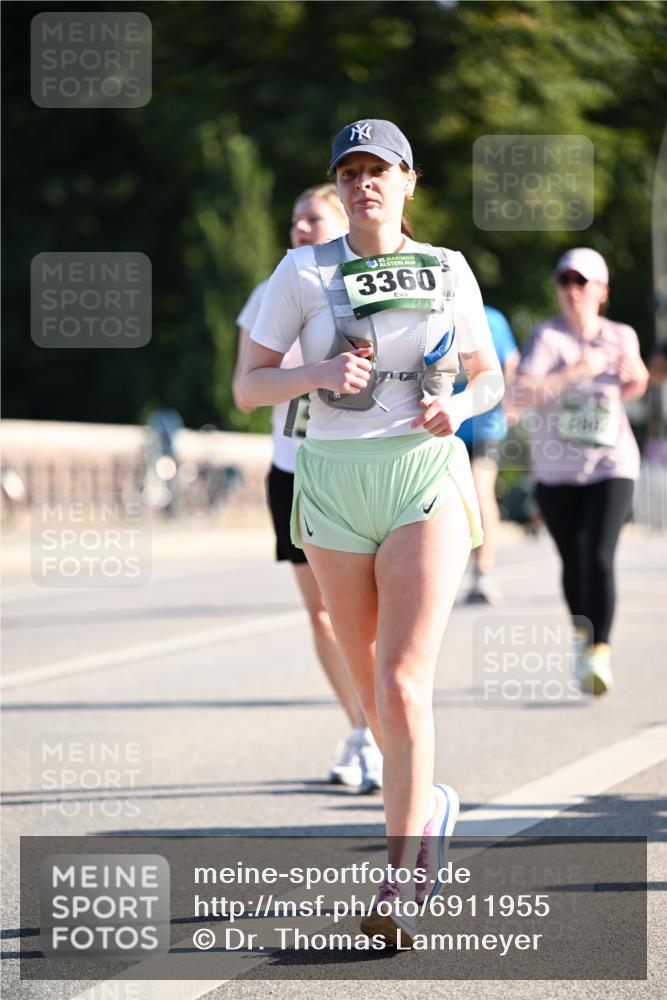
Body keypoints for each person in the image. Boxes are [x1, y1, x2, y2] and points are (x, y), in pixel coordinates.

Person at [238, 118, 502, 946]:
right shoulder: (301, 271)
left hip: (422, 476)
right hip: (331, 486)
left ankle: (404, 876)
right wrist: (316, 373)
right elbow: (247, 387)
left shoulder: (448, 269)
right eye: (349, 172)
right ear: (340, 185)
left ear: (408, 181)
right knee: (369, 690)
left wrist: (454, 406)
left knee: (398, 683)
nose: (363, 184)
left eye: (378, 170)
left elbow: (492, 376)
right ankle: (431, 803)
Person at [233, 184, 383, 793]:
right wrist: (312, 374)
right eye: (294, 219)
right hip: (293, 470)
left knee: (370, 616)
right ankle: (363, 731)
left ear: (341, 218)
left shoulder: (376, 283)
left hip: (359, 467)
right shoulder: (268, 293)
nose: (299, 227)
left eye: (311, 217)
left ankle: (389, 723)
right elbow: (244, 387)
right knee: (323, 617)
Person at [511, 248, 649, 695]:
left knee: (598, 554)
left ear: (602, 292)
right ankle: (581, 635)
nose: (571, 290)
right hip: (556, 469)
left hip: (612, 463)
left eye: (581, 281)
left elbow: (632, 389)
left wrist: (639, 375)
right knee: (572, 559)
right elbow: (522, 393)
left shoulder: (621, 334)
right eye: (564, 280)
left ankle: (601, 652)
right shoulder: (547, 337)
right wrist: (575, 372)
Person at [454, 305, 519, 604]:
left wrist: (513, 402)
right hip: (449, 423)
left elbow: (511, 363)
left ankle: (482, 574)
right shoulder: (432, 310)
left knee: (481, 494)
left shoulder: (493, 318)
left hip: (487, 424)